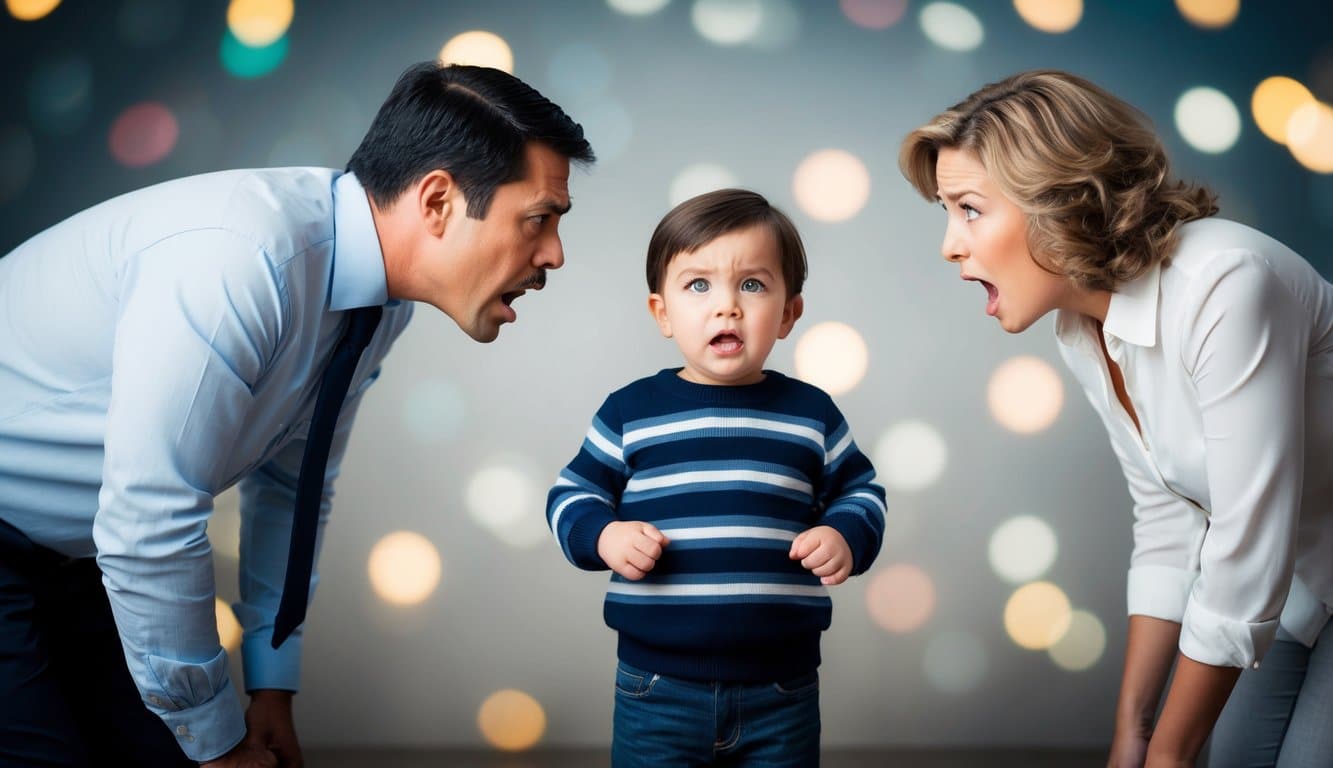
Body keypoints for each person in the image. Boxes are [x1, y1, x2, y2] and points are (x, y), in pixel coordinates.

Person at [0, 61, 594, 767]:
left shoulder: (377, 306)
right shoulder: (241, 262)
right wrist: (218, 748)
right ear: (437, 201)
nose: (554, 254)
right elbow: (150, 519)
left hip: (73, 562)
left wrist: (270, 685)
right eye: (538, 219)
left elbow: (291, 484)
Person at [899, 69, 1332, 767]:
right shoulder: (1081, 327)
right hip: (1302, 581)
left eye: (968, 208)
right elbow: (1167, 523)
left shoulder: (1225, 283)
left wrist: (1164, 756)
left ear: (1060, 201)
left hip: (1277, 572)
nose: (949, 244)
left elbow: (1243, 560)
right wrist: (1132, 734)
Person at [545, 188, 886, 767]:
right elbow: (570, 495)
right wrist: (604, 536)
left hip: (782, 687)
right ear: (662, 312)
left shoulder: (812, 413)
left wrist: (844, 535)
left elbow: (861, 492)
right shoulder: (630, 412)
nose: (726, 306)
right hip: (655, 687)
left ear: (787, 313)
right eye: (698, 285)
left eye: (752, 285)